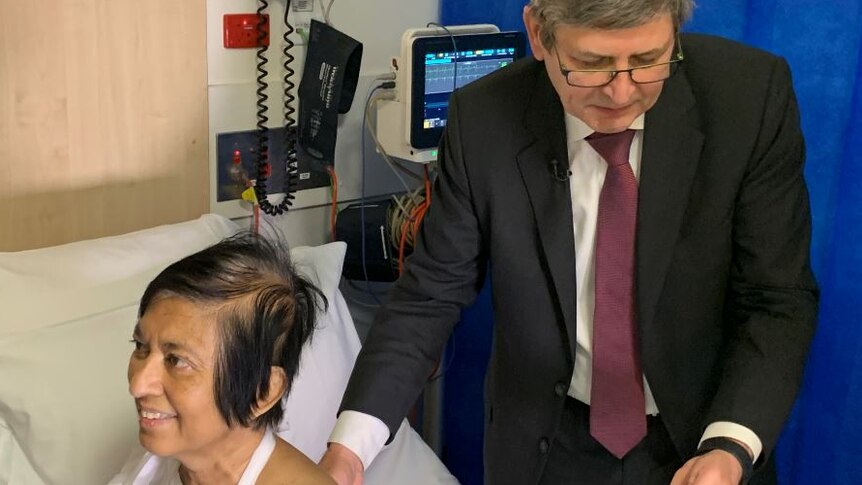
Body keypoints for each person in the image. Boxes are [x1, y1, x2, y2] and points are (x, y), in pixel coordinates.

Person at [320, 0, 819, 484]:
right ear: (539, 34)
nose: (622, 93)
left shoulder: (748, 99)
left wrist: (731, 445)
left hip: (704, 436)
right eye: (591, 65)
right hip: (544, 443)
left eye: (647, 61)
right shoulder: (484, 119)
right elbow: (429, 296)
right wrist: (347, 448)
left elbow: (776, 301)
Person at [110, 233, 336, 485]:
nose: (137, 385)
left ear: (261, 392)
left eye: (177, 360)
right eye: (141, 346)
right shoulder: (157, 456)